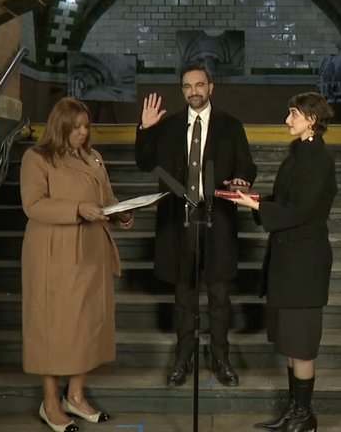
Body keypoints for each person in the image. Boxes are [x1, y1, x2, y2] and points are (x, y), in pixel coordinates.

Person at [135, 64, 257, 387]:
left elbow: (247, 165)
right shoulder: (168, 125)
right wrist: (146, 129)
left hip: (218, 220)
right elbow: (145, 163)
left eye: (199, 85)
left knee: (219, 295)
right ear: (182, 90)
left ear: (211, 87)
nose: (194, 92)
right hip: (179, 221)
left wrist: (242, 179)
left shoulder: (231, 125)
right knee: (184, 295)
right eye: (188, 86)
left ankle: (221, 358)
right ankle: (183, 358)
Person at [20, 97, 133, 432]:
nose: (83, 132)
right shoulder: (37, 158)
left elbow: (106, 198)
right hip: (54, 252)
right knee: (53, 326)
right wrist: (78, 209)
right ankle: (50, 402)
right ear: (61, 126)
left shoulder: (93, 157)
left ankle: (76, 395)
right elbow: (33, 205)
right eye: (77, 127)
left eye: (86, 126)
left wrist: (121, 213)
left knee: (87, 323)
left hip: (91, 250)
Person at [229, 92, 337, 432]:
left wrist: (258, 207)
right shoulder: (298, 155)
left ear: (312, 119)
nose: (287, 120)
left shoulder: (319, 161)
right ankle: (295, 411)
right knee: (291, 341)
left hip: (305, 264)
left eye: (293, 114)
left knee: (302, 345)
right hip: (288, 261)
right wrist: (252, 198)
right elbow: (284, 199)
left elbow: (301, 210)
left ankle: (305, 416)